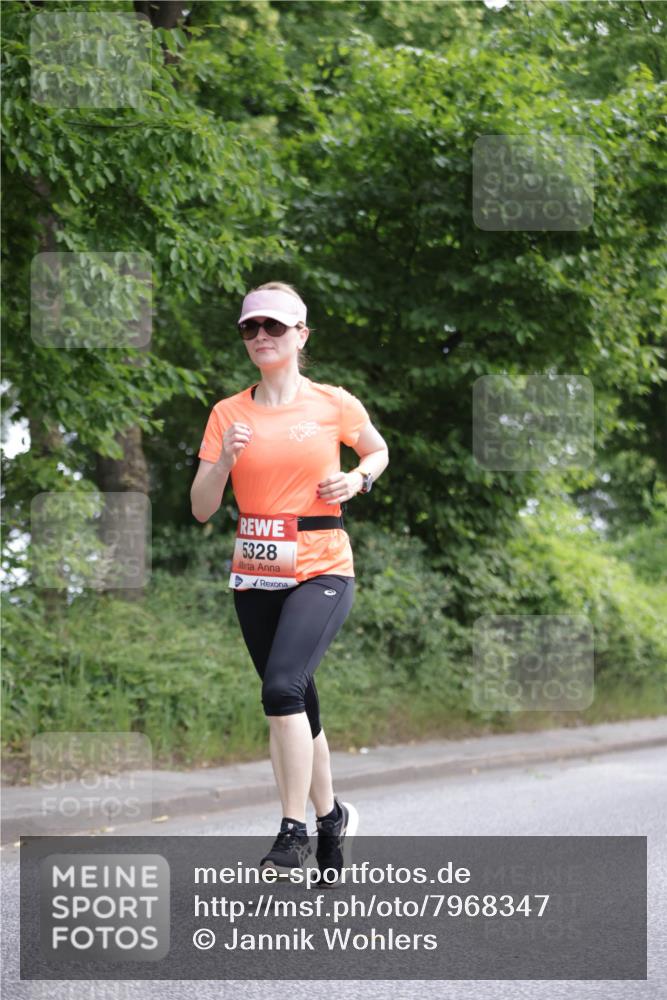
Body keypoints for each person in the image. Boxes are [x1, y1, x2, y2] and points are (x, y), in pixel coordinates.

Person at [191, 281, 389, 886]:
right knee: (298, 701)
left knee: (281, 689)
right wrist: (225, 462)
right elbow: (201, 508)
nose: (261, 336)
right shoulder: (227, 413)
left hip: (323, 564)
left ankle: (291, 832)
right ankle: (332, 819)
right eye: (250, 327)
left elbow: (377, 451)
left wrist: (358, 480)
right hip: (257, 570)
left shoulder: (333, 403)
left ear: (301, 335)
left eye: (274, 326)